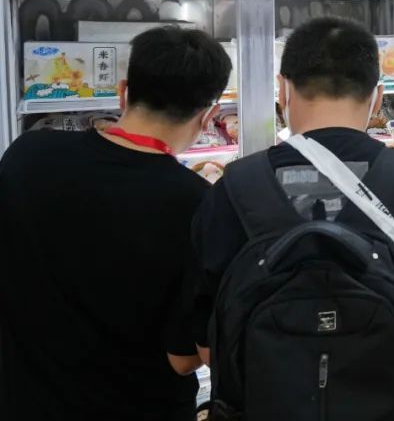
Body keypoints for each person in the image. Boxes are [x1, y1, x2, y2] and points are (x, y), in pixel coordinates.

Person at [190, 18, 394, 359]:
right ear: (377, 97)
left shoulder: (233, 189)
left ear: (282, 90)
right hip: (385, 388)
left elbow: (206, 350)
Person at [0, 27, 232, 420]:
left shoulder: (27, 154)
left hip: (24, 403)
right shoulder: (197, 201)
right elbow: (182, 359)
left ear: (123, 92)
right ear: (209, 115)